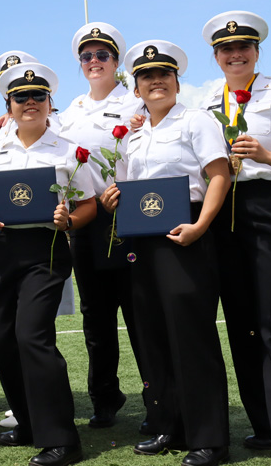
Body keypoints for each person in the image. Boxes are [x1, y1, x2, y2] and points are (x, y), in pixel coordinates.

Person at [101, 40, 231, 466]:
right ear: (136, 88)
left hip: (186, 234)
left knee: (190, 336)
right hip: (143, 240)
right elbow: (131, 188)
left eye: (163, 75)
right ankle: (166, 426)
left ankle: (208, 437)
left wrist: (201, 225)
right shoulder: (136, 135)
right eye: (146, 76)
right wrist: (114, 198)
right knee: (153, 333)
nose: (155, 81)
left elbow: (218, 175)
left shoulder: (197, 121)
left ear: (177, 81)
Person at [0, 63, 94, 466]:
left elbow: (87, 203)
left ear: (49, 103)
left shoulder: (68, 150)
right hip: (3, 249)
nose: (31, 103)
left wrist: (70, 220)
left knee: (32, 336)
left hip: (47, 249)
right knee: (3, 339)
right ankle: (27, 422)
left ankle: (62, 438)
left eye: (38, 96)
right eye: (22, 97)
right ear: (9, 105)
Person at [200, 11, 271, 466]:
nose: (234, 54)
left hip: (268, 204)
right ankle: (264, 427)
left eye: (243, 47)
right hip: (222, 209)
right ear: (216, 56)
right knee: (242, 325)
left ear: (257, 51)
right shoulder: (206, 97)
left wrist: (268, 155)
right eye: (226, 49)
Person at [57, 22, 146, 429]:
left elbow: (149, 154)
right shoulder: (70, 111)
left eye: (102, 55)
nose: (94, 62)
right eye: (87, 56)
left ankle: (157, 396)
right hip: (87, 220)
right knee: (95, 314)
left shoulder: (136, 104)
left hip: (127, 217)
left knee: (139, 311)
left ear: (116, 62)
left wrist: (125, 189)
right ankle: (104, 398)